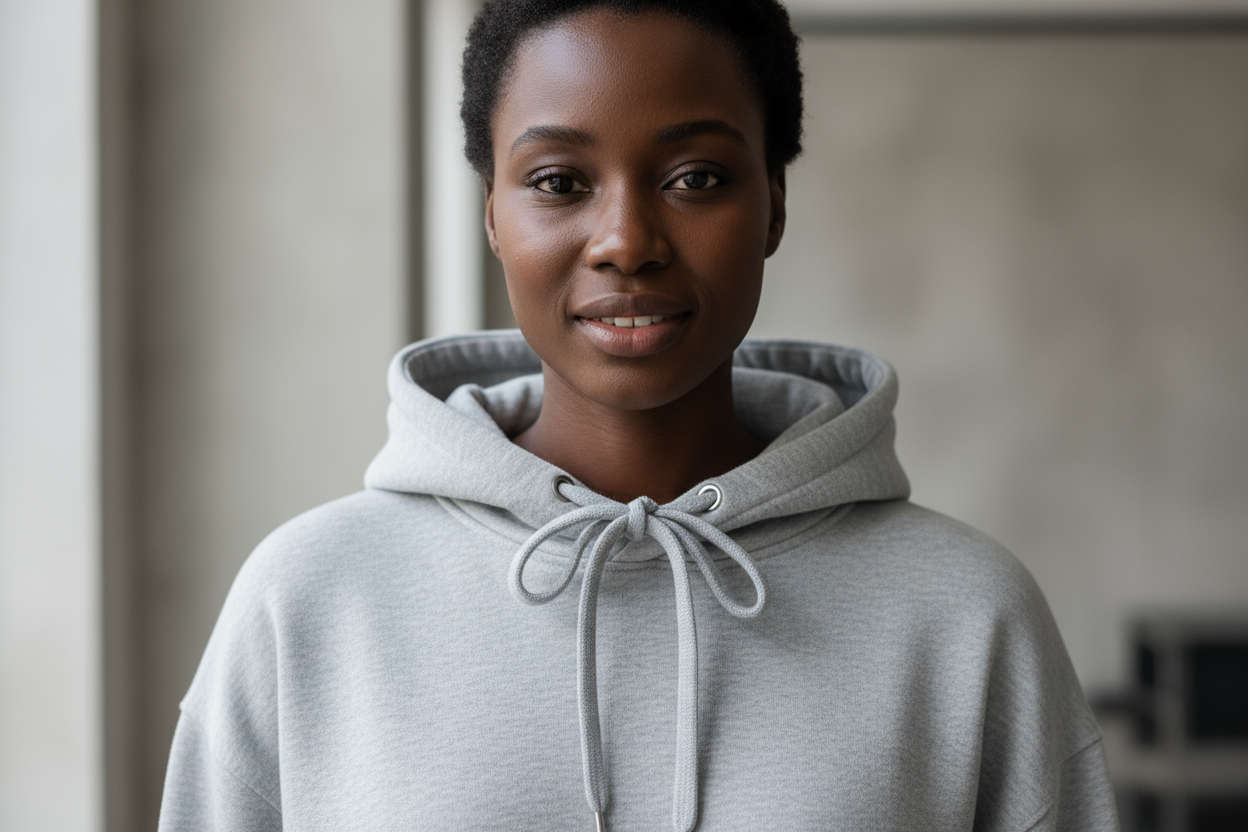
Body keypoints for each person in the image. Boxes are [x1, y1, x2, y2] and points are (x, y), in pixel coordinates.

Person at [158, 1, 1120, 830]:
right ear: (492, 212)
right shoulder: (309, 600)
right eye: (558, 182)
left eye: (696, 177)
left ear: (774, 205)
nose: (626, 241)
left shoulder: (967, 615)